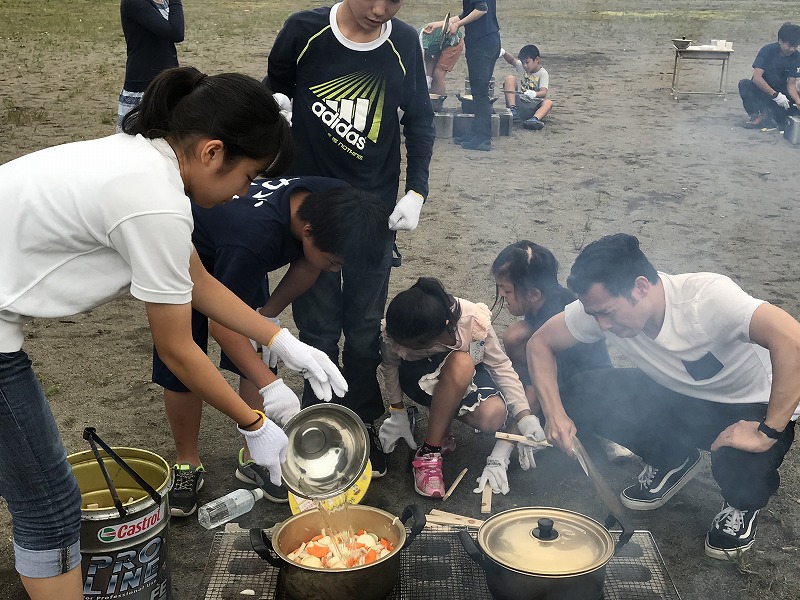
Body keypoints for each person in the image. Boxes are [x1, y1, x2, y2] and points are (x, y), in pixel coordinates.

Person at [0, 66, 350, 599]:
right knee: (49, 508)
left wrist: (281, 341)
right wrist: (254, 423)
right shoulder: (155, 200)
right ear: (211, 152)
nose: (244, 193)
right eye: (249, 177)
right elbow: (178, 349)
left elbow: (196, 280)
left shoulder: (147, 165)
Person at [527, 233, 800, 559]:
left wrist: (768, 431)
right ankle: (673, 458)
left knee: (738, 461)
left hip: (750, 404)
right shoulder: (601, 311)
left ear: (640, 287)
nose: (602, 325)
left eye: (608, 312)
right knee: (580, 391)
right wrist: (555, 413)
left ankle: (741, 507)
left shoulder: (706, 300)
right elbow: (539, 344)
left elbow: (792, 339)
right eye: (594, 314)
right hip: (679, 394)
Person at [266, 0, 435, 478]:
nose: (381, 10)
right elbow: (270, 94)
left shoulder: (403, 43)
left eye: (394, 0)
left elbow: (418, 118)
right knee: (317, 327)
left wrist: (417, 190)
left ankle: (361, 416)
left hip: (372, 218)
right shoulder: (303, 31)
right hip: (314, 217)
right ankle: (316, 415)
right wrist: (276, 111)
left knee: (363, 329)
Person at [156, 177, 390, 516]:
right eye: (336, 262)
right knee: (182, 357)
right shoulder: (253, 241)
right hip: (189, 254)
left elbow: (310, 263)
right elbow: (222, 325)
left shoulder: (332, 199)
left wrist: (267, 316)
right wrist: (272, 385)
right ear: (307, 231)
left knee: (258, 346)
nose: (337, 269)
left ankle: (253, 457)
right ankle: (187, 463)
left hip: (240, 250)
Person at [378, 277, 546, 498]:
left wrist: (524, 416)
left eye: (417, 345)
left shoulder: (471, 320)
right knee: (461, 364)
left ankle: (440, 424)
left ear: (444, 327)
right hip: (417, 379)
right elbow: (390, 366)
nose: (407, 347)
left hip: (462, 375)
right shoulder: (400, 326)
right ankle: (429, 453)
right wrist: (397, 410)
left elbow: (500, 366)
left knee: (491, 414)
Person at [427, 0, 500, 151]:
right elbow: (467, 13)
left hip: (482, 43)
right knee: (477, 90)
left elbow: (481, 9)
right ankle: (475, 133)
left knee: (480, 92)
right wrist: (441, 23)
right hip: (488, 41)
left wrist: (458, 25)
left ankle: (483, 138)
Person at [118, 0, 185, 131]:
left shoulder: (164, 1)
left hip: (167, 82)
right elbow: (175, 32)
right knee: (136, 143)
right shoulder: (133, 3)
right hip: (144, 85)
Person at [738, 22, 800, 129]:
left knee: (784, 119)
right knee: (744, 85)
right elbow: (757, 78)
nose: (792, 49)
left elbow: (791, 84)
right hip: (763, 89)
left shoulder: (796, 57)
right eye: (789, 46)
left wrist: (797, 101)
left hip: (782, 92)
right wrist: (775, 95)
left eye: (795, 46)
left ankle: (770, 114)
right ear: (780, 41)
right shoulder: (767, 51)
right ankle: (757, 115)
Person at [500, 45, 553, 131]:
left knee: (548, 103)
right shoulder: (522, 67)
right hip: (520, 103)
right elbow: (512, 60)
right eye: (523, 62)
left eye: (527, 62)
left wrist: (535, 94)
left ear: (537, 60)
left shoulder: (543, 74)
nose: (524, 65)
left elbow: (544, 92)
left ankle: (534, 119)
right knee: (510, 78)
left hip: (533, 106)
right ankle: (512, 110)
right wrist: (503, 53)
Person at [419, 18, 464, 96]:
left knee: (438, 74)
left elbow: (419, 62)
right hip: (439, 43)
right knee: (432, 76)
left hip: (453, 43)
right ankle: (430, 102)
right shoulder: (423, 44)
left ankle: (438, 103)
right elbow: (428, 58)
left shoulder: (421, 39)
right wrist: (428, 78)